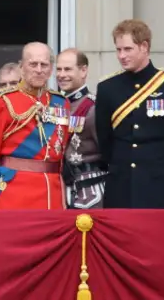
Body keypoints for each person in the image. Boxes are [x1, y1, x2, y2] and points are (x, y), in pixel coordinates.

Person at [95, 19, 164, 209]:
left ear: (144, 46)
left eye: (128, 49)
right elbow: (105, 141)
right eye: (118, 50)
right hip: (121, 186)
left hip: (160, 186)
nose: (121, 56)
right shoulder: (107, 88)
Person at [0, 42, 70, 210]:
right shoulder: (3, 102)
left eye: (44, 65)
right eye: (33, 64)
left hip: (52, 194)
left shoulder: (61, 103)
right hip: (13, 195)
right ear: (22, 67)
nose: (39, 70)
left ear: (51, 68)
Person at [56, 48, 107, 209]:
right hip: (61, 191)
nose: (61, 74)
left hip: (90, 191)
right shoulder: (55, 105)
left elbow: (109, 153)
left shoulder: (94, 107)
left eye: (68, 69)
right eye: (58, 69)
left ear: (83, 70)